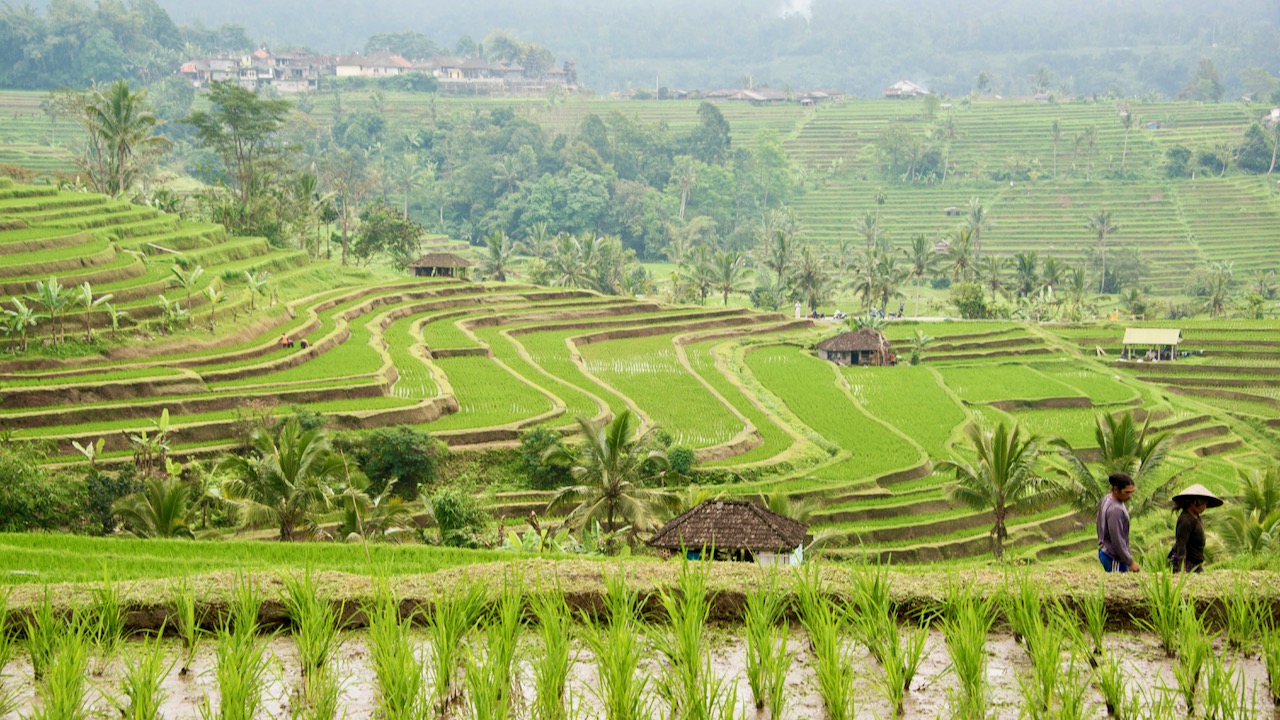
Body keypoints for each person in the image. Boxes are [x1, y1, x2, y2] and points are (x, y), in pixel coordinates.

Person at [1170, 484, 1222, 573]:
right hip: (1186, 563)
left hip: (1195, 563)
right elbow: (1181, 546)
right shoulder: (1185, 520)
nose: (1205, 506)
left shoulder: (1196, 517)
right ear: (1193, 502)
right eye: (1203, 503)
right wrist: (1181, 570)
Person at [1098, 472, 1141, 573]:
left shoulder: (1107, 499)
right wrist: (1129, 562)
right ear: (1116, 490)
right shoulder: (1115, 510)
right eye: (1126, 492)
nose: (1130, 496)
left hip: (1105, 551)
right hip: (1113, 557)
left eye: (1131, 492)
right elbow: (1117, 539)